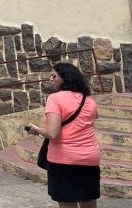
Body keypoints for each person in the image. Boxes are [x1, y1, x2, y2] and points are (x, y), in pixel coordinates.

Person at [26, 62, 101, 208]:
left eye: (54, 76)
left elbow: (52, 133)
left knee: (67, 203)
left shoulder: (55, 99)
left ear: (65, 78)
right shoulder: (89, 100)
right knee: (89, 202)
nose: (50, 79)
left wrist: (36, 130)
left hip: (64, 159)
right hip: (89, 157)